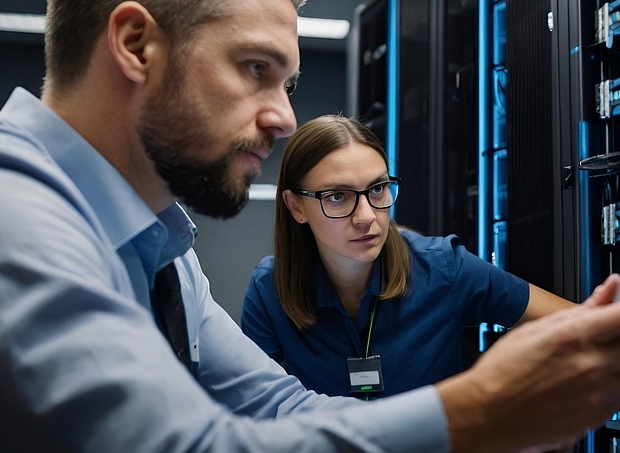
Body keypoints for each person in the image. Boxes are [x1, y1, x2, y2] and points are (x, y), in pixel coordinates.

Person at [0, 0, 620, 451]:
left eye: (290, 82)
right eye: (255, 70)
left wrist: (494, 414)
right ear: (136, 43)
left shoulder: (164, 256)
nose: (282, 118)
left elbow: (279, 407)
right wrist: (479, 413)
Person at [241, 114, 580, 398]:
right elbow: (254, 414)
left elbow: (579, 325)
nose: (367, 216)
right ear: (296, 206)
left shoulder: (443, 267)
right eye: (338, 197)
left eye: (377, 189)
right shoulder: (269, 290)